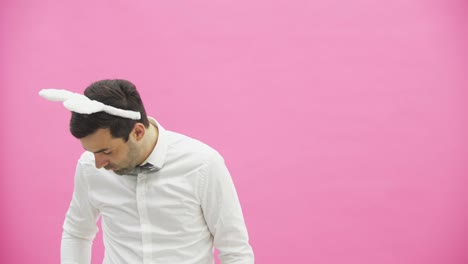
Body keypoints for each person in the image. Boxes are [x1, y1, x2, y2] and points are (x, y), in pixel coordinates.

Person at [49, 79, 254, 264]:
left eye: (106, 151)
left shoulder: (203, 164)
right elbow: (77, 233)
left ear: (137, 132)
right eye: (91, 152)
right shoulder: (88, 167)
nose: (98, 163)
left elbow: (235, 250)